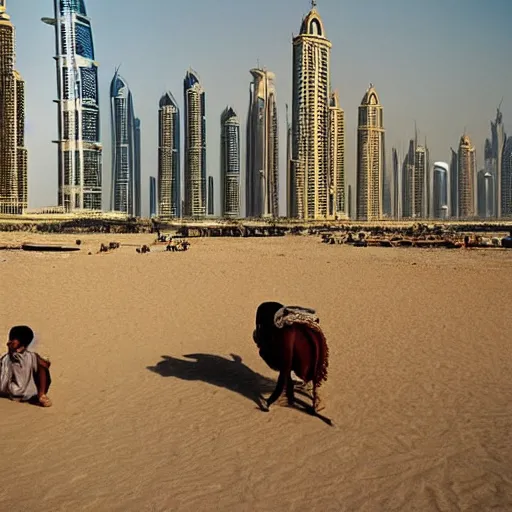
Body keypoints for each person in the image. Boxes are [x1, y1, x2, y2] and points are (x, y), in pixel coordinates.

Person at [0, 326, 52, 407]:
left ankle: (41, 395)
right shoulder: (8, 357)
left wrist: (44, 364)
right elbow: (11, 357)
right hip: (11, 390)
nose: (11, 341)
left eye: (14, 339)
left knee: (42, 367)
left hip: (26, 391)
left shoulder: (31, 356)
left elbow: (45, 366)